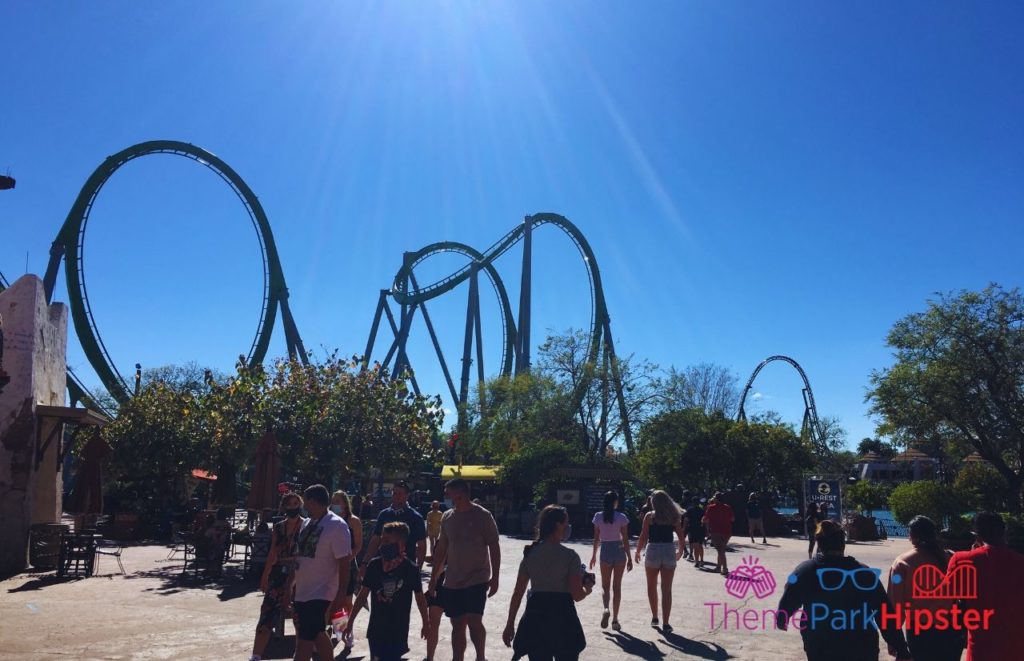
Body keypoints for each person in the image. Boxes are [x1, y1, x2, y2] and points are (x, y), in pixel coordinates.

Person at [776, 520, 911, 661]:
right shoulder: (864, 573)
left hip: (820, 648)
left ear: (819, 544)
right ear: (843, 544)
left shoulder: (804, 572)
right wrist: (901, 648)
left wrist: (782, 619)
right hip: (862, 649)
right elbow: (885, 614)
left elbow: (786, 604)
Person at [503, 505, 593, 660]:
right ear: (558, 525)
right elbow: (577, 595)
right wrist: (588, 589)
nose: (568, 527)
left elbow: (517, 593)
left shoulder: (530, 554)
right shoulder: (570, 556)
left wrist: (510, 624)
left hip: (536, 617)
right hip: (563, 617)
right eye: (566, 523)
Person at [428, 478, 501, 661]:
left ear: (459, 493)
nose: (445, 497)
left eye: (448, 493)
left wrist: (495, 578)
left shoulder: (483, 516)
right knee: (457, 624)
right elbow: (442, 549)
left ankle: (480, 657)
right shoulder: (447, 517)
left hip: (477, 578)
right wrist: (434, 578)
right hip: (452, 580)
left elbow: (494, 546)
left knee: (474, 621)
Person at [345, 521, 428, 661]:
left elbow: (420, 598)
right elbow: (362, 595)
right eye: (382, 539)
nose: (382, 543)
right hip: (376, 630)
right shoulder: (375, 565)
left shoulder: (410, 568)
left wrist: (426, 623)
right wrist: (351, 621)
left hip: (398, 630)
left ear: (401, 543)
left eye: (387, 540)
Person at [948, 511, 1024, 661]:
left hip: (981, 648)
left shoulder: (961, 560)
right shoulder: (1020, 562)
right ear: (1004, 532)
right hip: (1016, 647)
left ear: (977, 535)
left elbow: (949, 598)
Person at [886, 515, 963, 661]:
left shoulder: (902, 563)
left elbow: (896, 606)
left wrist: (895, 641)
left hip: (921, 633)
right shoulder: (951, 557)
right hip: (951, 631)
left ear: (912, 536)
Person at [291, 484, 352, 661]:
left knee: (304, 640)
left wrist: (341, 593)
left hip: (321, 592)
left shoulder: (337, 526)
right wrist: (290, 585)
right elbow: (300, 557)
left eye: (305, 501)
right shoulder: (307, 524)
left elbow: (344, 562)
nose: (303, 505)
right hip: (303, 591)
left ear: (313, 501)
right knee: (317, 633)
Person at [249, 493, 305, 661]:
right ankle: (256, 656)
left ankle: (300, 654)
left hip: (300, 573)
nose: (293, 507)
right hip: (278, 572)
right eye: (290, 504)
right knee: (267, 612)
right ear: (284, 506)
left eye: (296, 503)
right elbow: (273, 552)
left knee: (299, 617)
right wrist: (265, 575)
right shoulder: (279, 527)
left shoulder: (306, 526)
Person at [634, 490, 686, 631]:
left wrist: (638, 551)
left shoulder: (649, 516)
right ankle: (666, 623)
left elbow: (643, 536)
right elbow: (681, 536)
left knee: (651, 586)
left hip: (653, 550)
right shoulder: (674, 517)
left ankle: (655, 616)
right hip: (668, 549)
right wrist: (680, 551)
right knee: (666, 589)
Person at [589, 490, 632, 631]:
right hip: (619, 550)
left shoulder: (598, 517)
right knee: (617, 587)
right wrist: (629, 557)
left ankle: (606, 608)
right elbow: (625, 538)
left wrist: (594, 555)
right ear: (615, 502)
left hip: (605, 550)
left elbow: (596, 538)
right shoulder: (621, 517)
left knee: (605, 587)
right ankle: (615, 620)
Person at [363, 481, 427, 570]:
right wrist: (365, 563)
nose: (396, 496)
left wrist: (418, 570)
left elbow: (421, 547)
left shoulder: (416, 517)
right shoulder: (384, 514)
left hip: (406, 567)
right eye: (394, 493)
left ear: (407, 495)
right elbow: (375, 541)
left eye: (400, 494)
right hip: (384, 565)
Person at [331, 490, 363, 650]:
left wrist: (348, 559)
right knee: (331, 599)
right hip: (330, 565)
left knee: (346, 600)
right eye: (333, 501)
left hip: (347, 565)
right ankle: (337, 629)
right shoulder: (329, 520)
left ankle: (346, 630)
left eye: (338, 501)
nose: (335, 505)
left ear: (345, 503)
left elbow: (358, 544)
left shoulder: (353, 521)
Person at [703, 492, 735, 575]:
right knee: (721, 549)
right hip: (727, 531)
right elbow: (732, 519)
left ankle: (724, 568)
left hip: (716, 531)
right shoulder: (728, 507)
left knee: (720, 550)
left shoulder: (711, 508)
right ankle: (718, 567)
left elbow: (705, 520)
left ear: (716, 499)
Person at [684, 497, 706, 568]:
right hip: (700, 529)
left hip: (692, 529)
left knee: (695, 546)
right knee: (700, 545)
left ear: (693, 503)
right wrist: (707, 530)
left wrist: (684, 528)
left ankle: (697, 561)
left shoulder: (690, 510)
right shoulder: (702, 510)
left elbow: (686, 520)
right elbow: (705, 520)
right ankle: (701, 560)